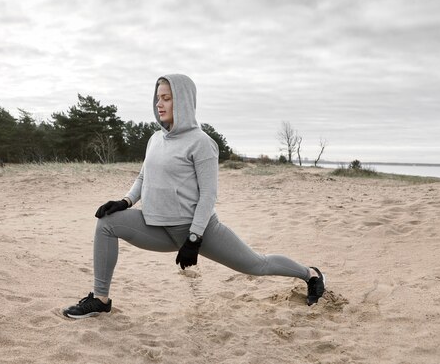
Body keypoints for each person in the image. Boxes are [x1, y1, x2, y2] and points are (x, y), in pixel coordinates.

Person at [62, 74, 325, 319]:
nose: (159, 104)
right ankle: (101, 299)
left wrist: (194, 237)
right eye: (158, 98)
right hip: (156, 226)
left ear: (184, 101)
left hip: (200, 231)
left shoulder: (202, 143)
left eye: (167, 98)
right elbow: (144, 177)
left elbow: (209, 195)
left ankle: (309, 274)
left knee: (256, 265)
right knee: (107, 223)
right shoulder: (155, 139)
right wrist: (126, 201)